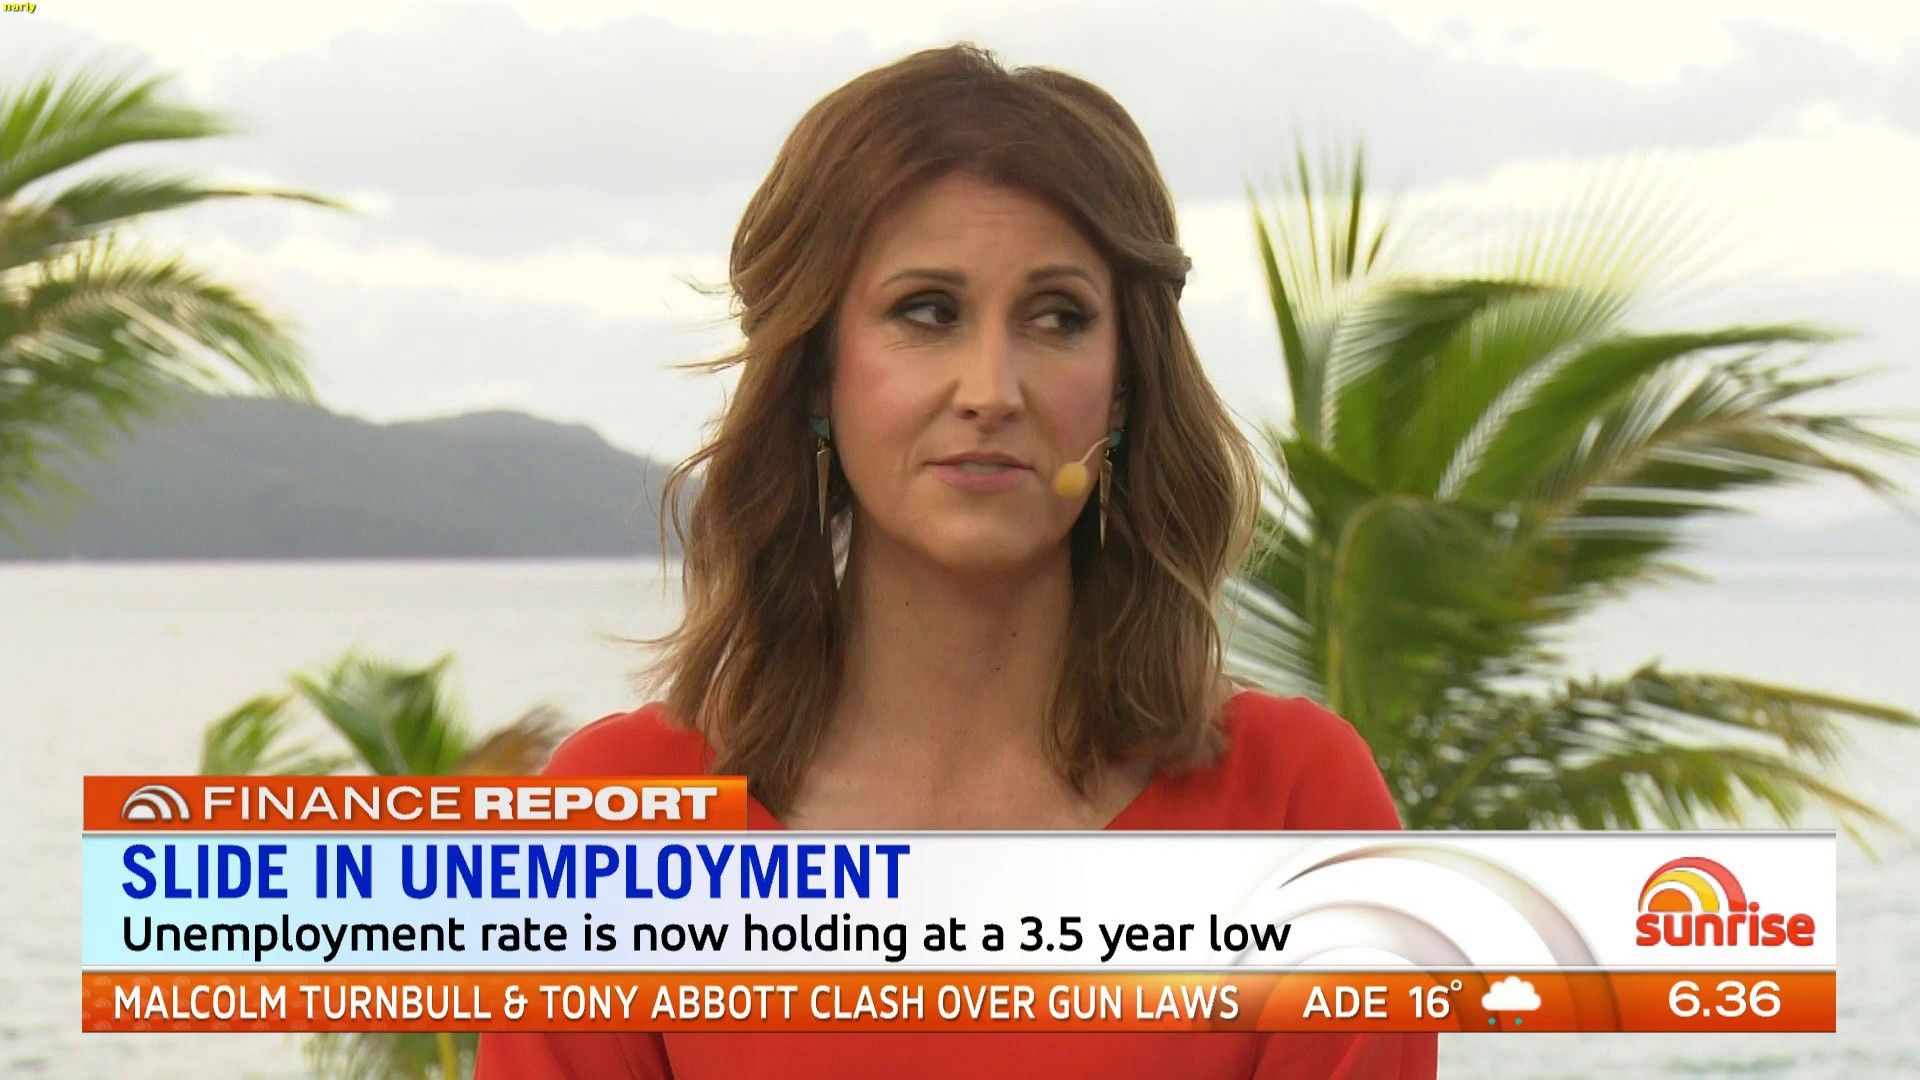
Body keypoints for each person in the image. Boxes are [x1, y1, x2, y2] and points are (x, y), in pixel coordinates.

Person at [478, 41, 1438, 1079]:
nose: (991, 390)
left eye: (1057, 317)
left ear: (1122, 388)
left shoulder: (1300, 807)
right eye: (927, 312)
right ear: (815, 373)